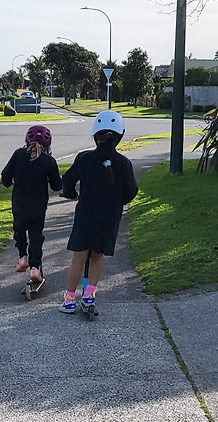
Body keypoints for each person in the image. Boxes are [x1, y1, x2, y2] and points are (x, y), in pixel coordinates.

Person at [58, 110, 138, 313]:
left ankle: (69, 299)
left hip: (86, 215)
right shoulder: (124, 163)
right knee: (97, 257)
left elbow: (67, 181)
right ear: (119, 136)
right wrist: (117, 202)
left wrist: (71, 194)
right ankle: (89, 296)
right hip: (109, 218)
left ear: (95, 135)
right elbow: (131, 191)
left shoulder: (84, 158)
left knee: (79, 258)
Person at [0, 125, 62, 285]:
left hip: (19, 205)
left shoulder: (18, 154)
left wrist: (13, 180)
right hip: (38, 207)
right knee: (36, 238)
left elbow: (5, 178)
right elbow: (57, 186)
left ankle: (22, 257)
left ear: (27, 140)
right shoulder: (49, 161)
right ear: (48, 143)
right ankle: (35, 268)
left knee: (19, 230)